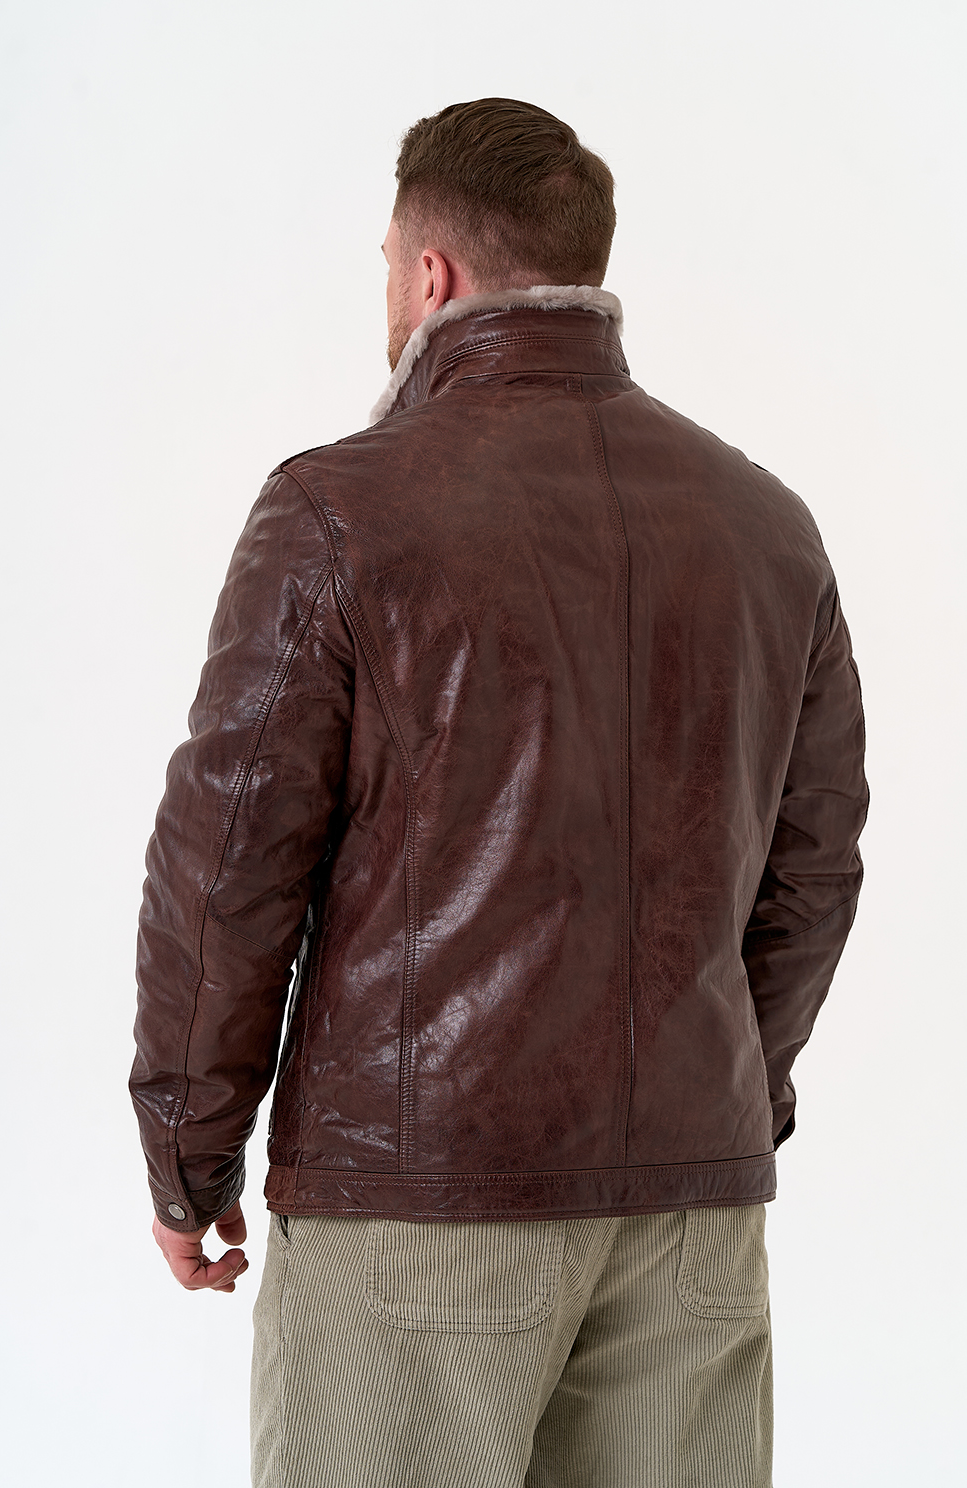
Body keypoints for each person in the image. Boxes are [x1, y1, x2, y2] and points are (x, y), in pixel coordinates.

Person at [130, 97, 868, 1488]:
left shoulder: (339, 511)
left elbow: (227, 863)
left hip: (423, 1204)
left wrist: (188, 1153)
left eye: (385, 269)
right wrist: (713, 1096)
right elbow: (814, 866)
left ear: (432, 274)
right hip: (693, 1216)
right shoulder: (767, 524)